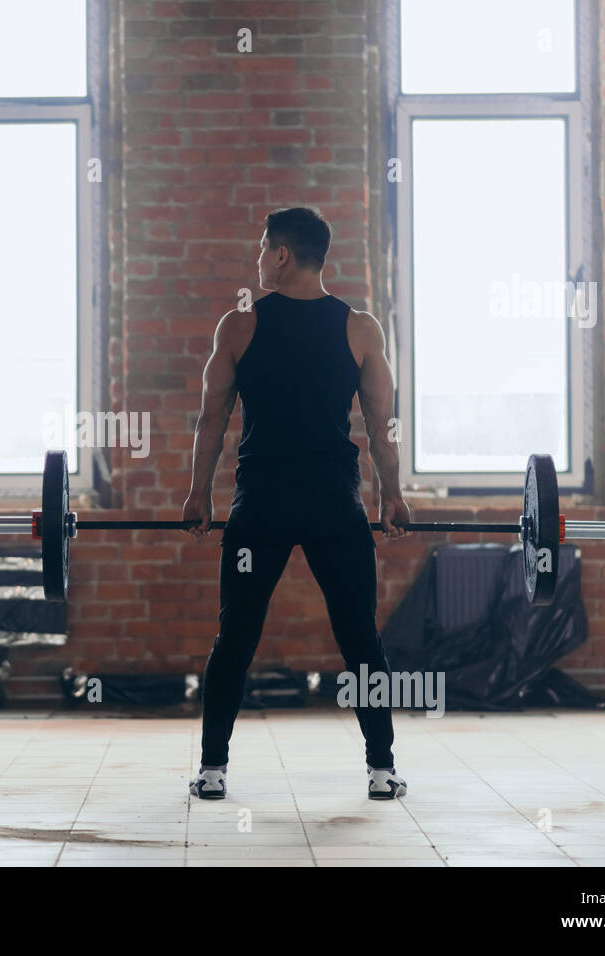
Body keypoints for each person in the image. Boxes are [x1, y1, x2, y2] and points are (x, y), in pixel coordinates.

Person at [182, 207, 409, 801]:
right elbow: (383, 425)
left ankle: (212, 771)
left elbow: (212, 418)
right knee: (361, 636)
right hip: (336, 503)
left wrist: (198, 493)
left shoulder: (239, 325)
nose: (258, 259)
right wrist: (393, 495)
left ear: (283, 255)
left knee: (236, 636)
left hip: (261, 506)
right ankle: (382, 772)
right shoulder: (361, 328)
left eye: (263, 249)